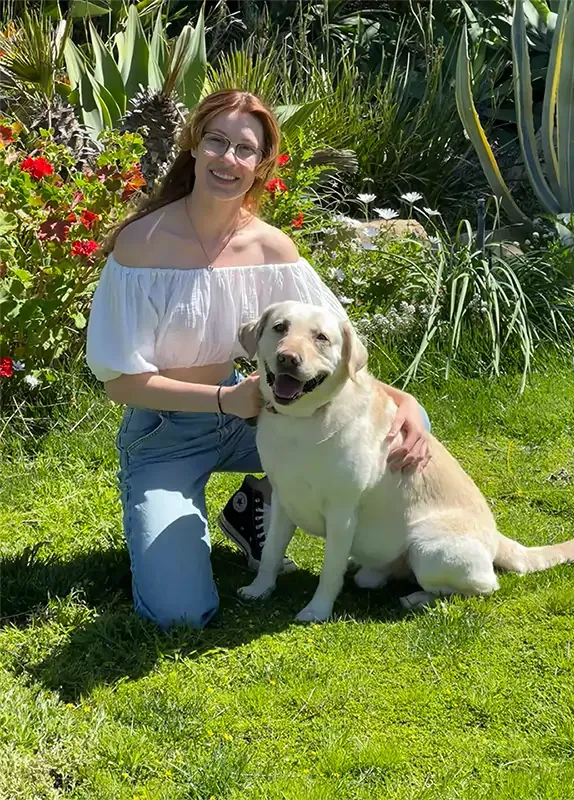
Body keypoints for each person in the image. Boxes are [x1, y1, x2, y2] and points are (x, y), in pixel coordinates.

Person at [85, 88, 431, 630]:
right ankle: (245, 507)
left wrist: (404, 401)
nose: (228, 159)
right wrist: (226, 399)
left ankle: (255, 504)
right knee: (180, 614)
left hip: (260, 419)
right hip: (167, 433)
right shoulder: (141, 244)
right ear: (193, 144)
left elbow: (331, 349)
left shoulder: (273, 249)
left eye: (244, 149)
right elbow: (120, 383)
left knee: (399, 429)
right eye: (216, 141)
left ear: (261, 164)